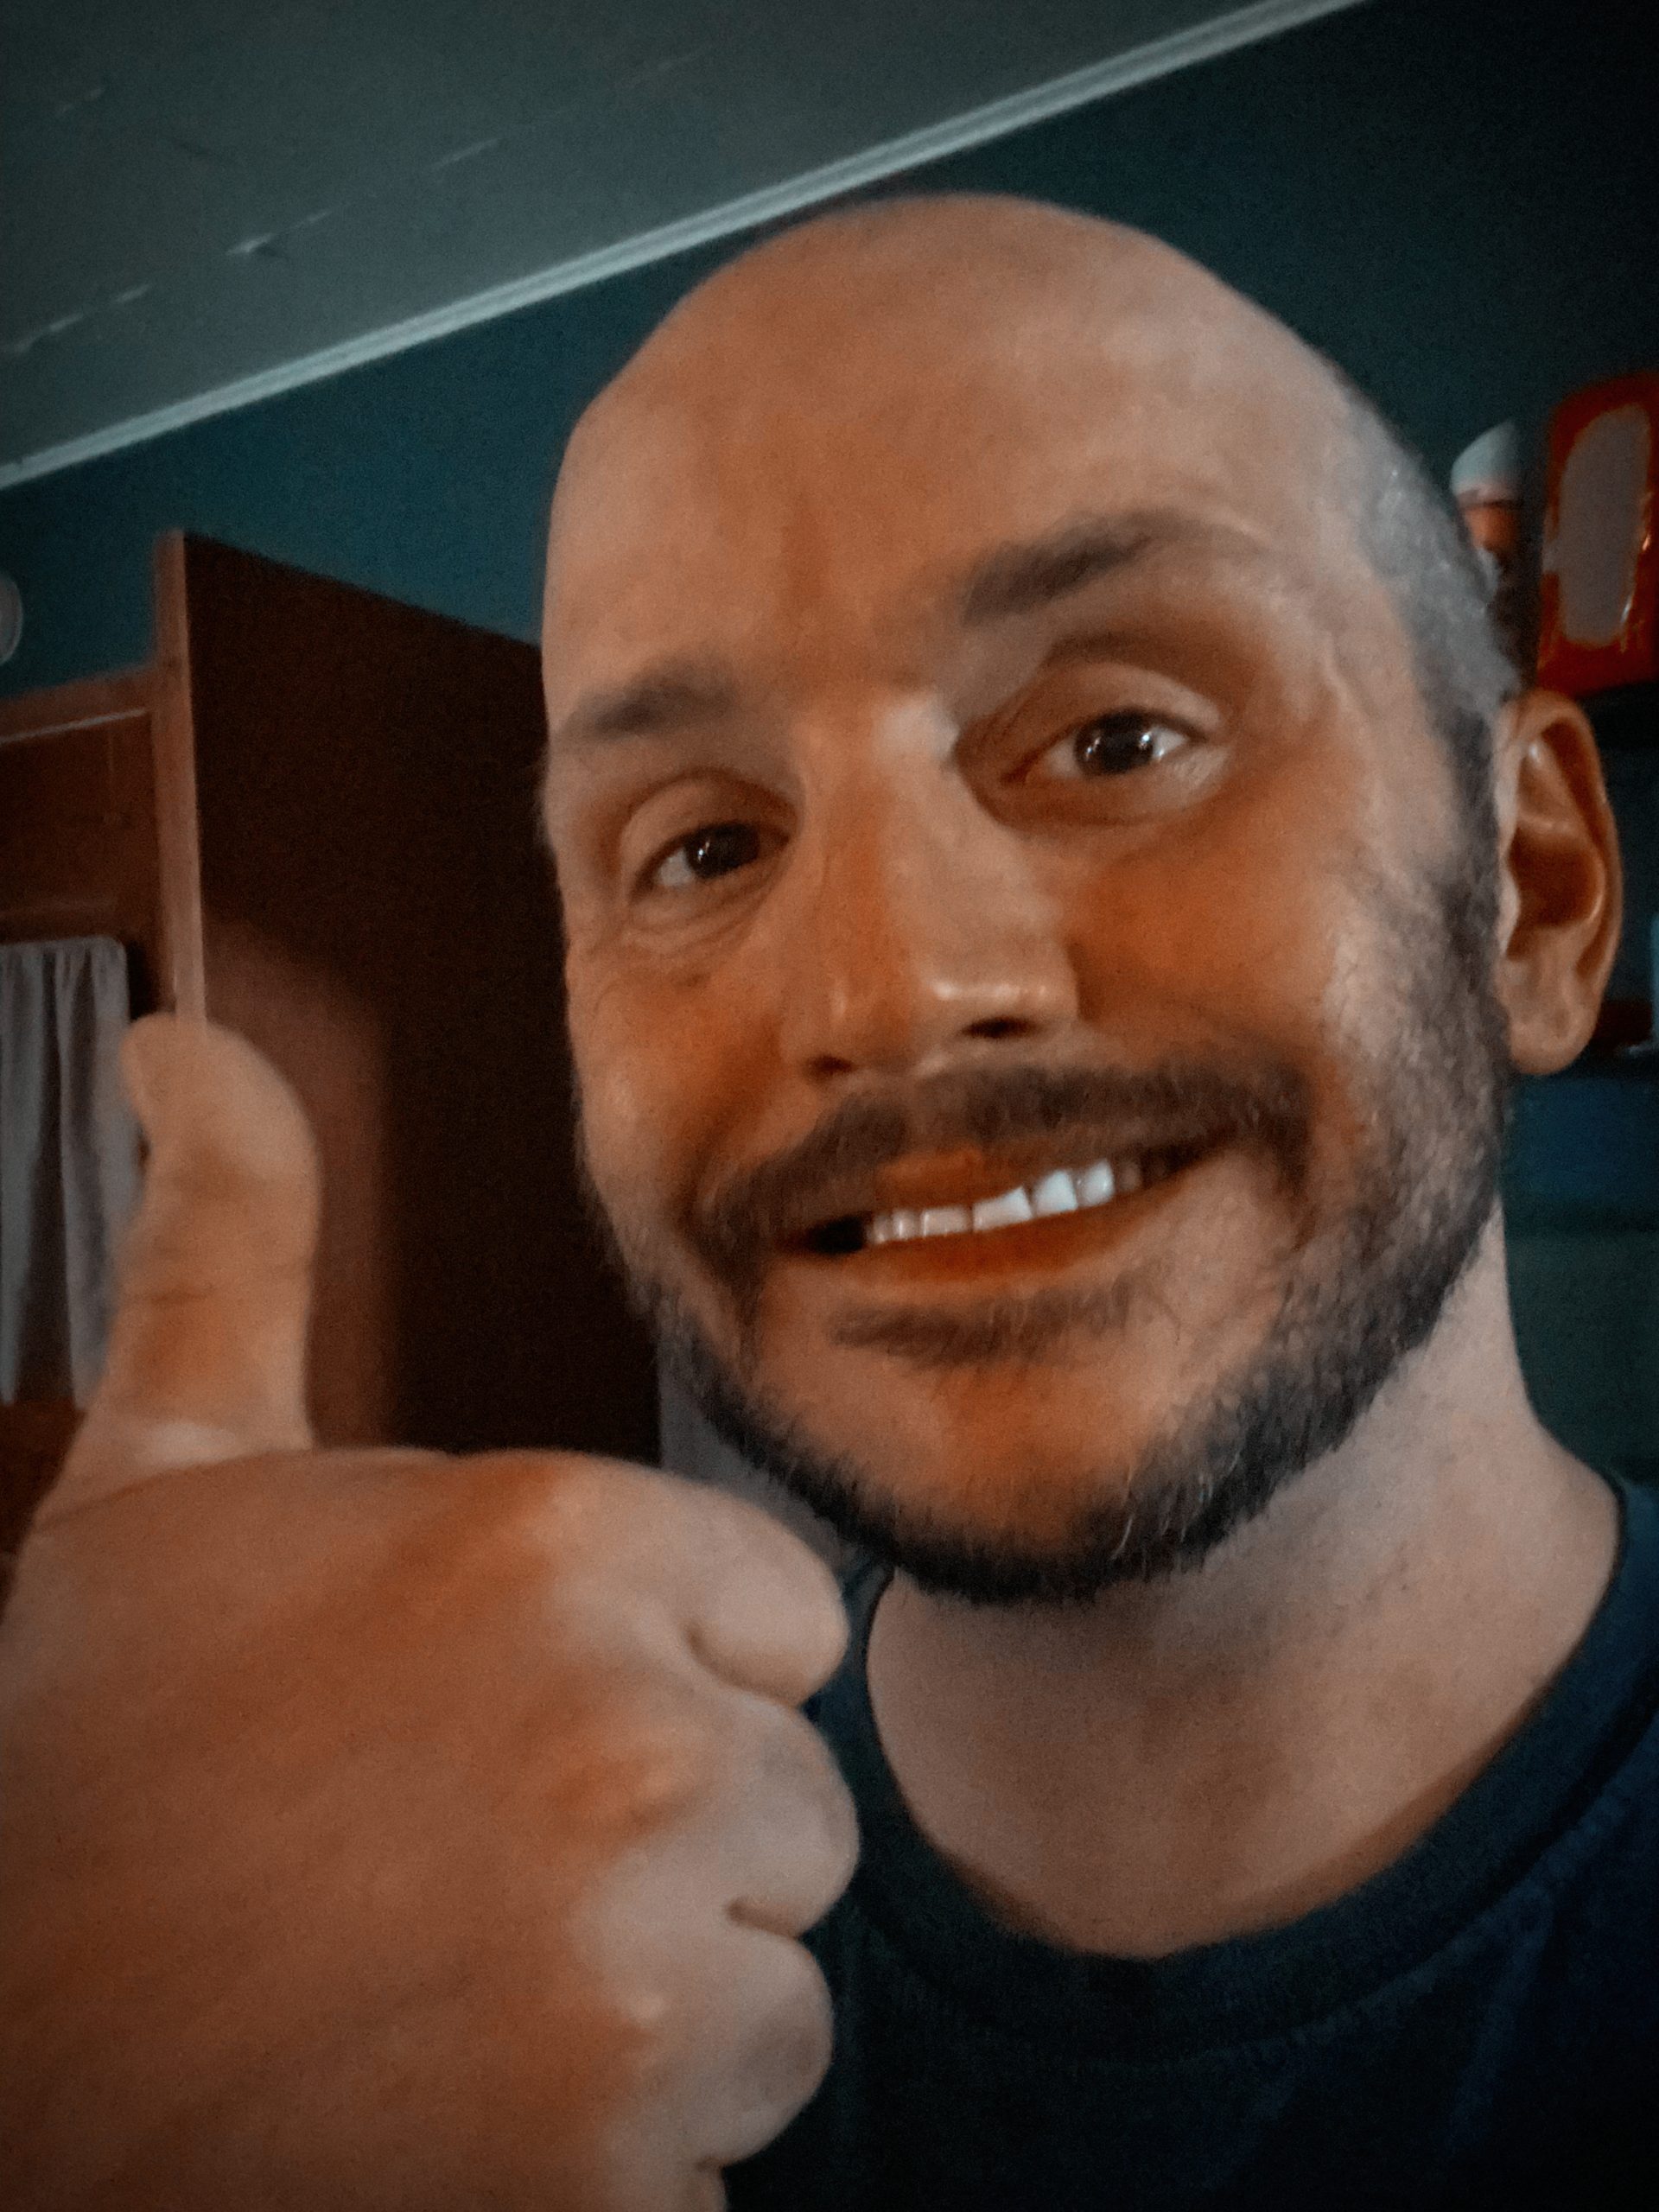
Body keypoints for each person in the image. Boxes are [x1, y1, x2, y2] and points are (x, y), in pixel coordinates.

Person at [1, 193, 1652, 2209]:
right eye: (701, 848)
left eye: (1117, 735)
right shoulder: (365, 2038)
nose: (889, 991)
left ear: (1535, 895)